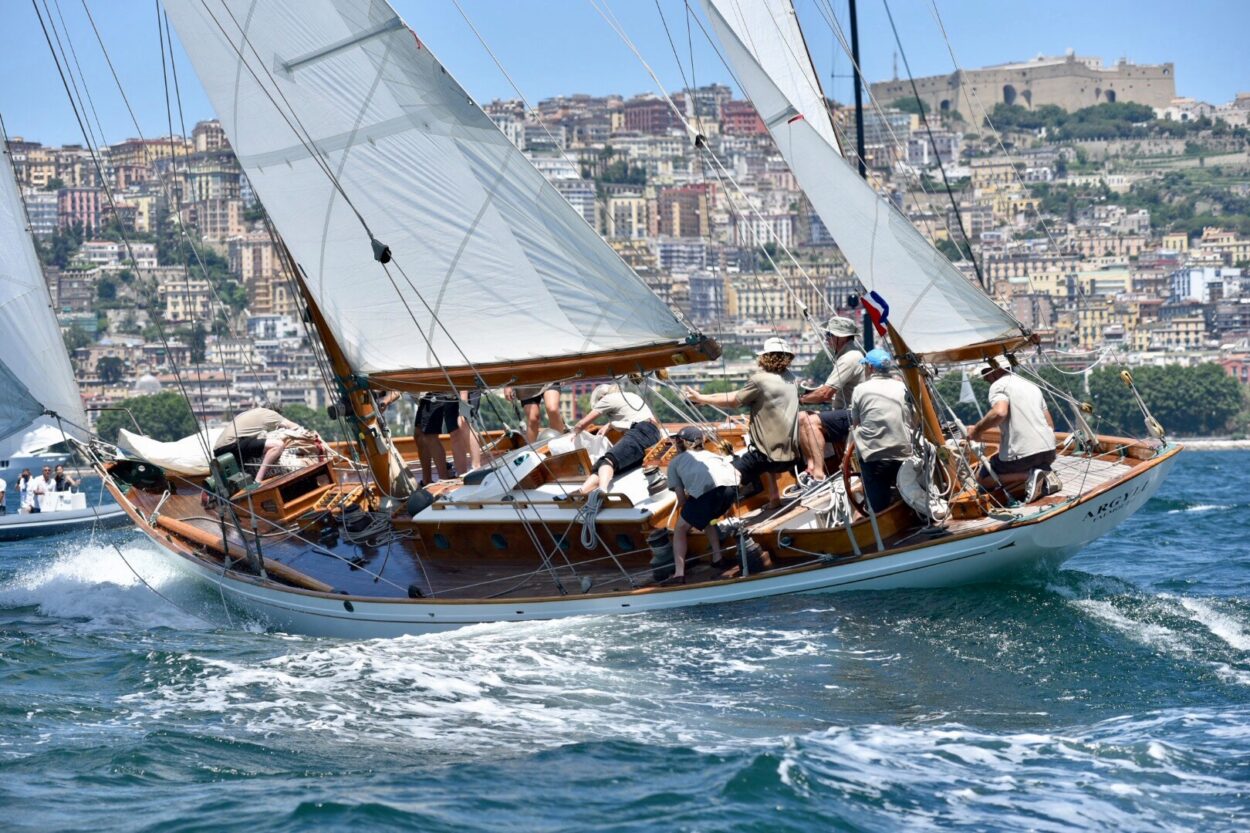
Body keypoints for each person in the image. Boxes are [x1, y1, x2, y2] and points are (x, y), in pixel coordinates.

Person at [685, 337, 799, 508]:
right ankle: (774, 497)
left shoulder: (760, 379)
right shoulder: (790, 378)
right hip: (791, 455)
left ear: (764, 357)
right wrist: (705, 400)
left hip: (765, 457)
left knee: (725, 476)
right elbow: (739, 393)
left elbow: (733, 401)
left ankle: (707, 517)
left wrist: (702, 397)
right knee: (765, 441)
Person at [967, 357, 1059, 502]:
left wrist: (976, 430)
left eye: (986, 376)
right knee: (1007, 458)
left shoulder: (998, 385)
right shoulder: (1031, 385)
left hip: (1024, 458)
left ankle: (1030, 475)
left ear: (993, 372)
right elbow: (1050, 425)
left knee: (982, 478)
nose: (986, 380)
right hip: (1050, 452)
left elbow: (999, 412)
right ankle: (1042, 472)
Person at [665, 426, 741, 584]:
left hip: (708, 495)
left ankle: (679, 574)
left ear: (684, 443)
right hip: (732, 491)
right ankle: (717, 557)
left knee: (680, 528)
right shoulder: (712, 455)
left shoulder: (675, 463)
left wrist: (686, 517)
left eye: (678, 440)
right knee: (705, 517)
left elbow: (681, 499)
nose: (676, 443)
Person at [797, 316, 865, 480]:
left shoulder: (849, 358)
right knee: (801, 417)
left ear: (839, 337)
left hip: (854, 414)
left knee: (811, 422)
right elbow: (834, 395)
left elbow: (826, 393)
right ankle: (812, 467)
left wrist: (800, 400)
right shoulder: (851, 355)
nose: (826, 339)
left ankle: (819, 474)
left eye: (829, 335)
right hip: (849, 411)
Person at [849, 349, 915, 513]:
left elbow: (856, 423)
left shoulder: (860, 390)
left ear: (870, 368)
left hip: (874, 457)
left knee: (878, 508)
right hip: (904, 453)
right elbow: (913, 420)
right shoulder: (902, 387)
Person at [573, 381, 661, 498]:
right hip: (653, 435)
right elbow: (629, 418)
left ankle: (602, 490)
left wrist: (572, 434)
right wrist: (609, 425)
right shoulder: (630, 396)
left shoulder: (607, 399)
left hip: (641, 431)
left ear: (602, 397)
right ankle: (580, 492)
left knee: (608, 460)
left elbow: (582, 424)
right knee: (601, 466)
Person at [212, 406, 304, 483]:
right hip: (232, 444)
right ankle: (258, 480)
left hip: (219, 450)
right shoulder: (271, 414)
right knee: (278, 445)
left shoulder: (252, 413)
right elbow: (295, 427)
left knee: (260, 447)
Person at [414, 389, 483, 484]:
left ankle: (476, 468)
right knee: (454, 433)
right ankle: (461, 475)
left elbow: (462, 377)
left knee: (463, 422)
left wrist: (463, 401)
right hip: (450, 392)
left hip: (467, 387)